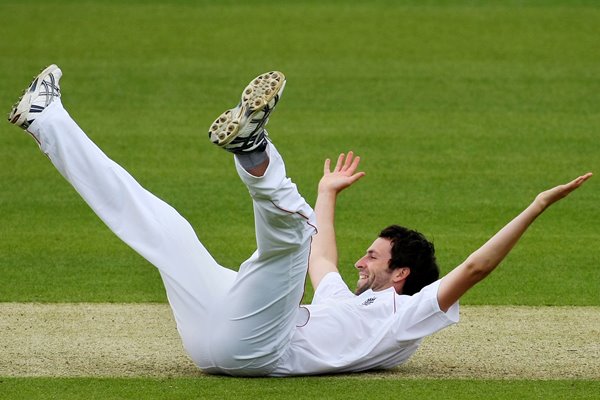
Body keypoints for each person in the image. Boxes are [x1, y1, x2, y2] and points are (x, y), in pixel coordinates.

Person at [8, 65, 592, 377]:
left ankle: (254, 152)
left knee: (294, 232)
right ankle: (46, 118)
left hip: (256, 351)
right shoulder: (347, 302)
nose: (361, 261)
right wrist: (325, 191)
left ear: (401, 274)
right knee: (164, 229)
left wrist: (535, 207)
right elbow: (321, 259)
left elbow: (477, 266)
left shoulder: (407, 315)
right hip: (216, 340)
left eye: (375, 256)